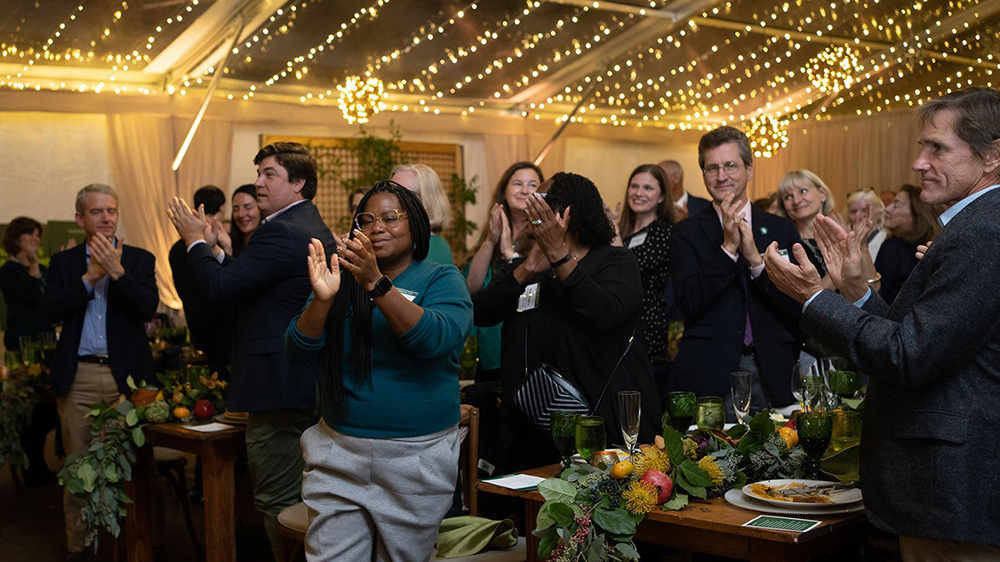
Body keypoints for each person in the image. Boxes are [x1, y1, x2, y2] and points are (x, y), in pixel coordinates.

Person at [763, 87, 1000, 560]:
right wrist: (856, 293)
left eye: (937, 148)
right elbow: (919, 339)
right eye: (921, 147)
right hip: (947, 494)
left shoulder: (982, 231)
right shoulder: (974, 225)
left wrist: (813, 299)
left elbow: (908, 357)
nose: (919, 163)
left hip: (953, 490)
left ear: (992, 155)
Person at [285, 180, 472, 561]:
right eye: (366, 220)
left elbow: (434, 340)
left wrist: (374, 282)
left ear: (415, 225)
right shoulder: (340, 277)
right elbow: (297, 354)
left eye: (390, 218)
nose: (377, 227)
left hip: (415, 459)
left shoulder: (441, 277)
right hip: (338, 452)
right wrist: (322, 301)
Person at [167, 142, 337, 559]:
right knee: (304, 495)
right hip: (299, 379)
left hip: (277, 384)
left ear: (298, 183)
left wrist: (194, 243)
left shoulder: (281, 229)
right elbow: (257, 285)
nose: (258, 183)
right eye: (258, 173)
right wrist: (222, 253)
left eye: (269, 174)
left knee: (279, 502)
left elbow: (220, 290)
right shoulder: (306, 223)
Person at [473, 172, 661, 473]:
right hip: (532, 429)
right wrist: (528, 268)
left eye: (540, 202)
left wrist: (559, 256)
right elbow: (481, 313)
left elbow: (603, 312)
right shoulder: (530, 266)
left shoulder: (617, 262)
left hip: (598, 427)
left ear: (566, 213)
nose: (528, 208)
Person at [44, 184, 158, 560]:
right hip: (79, 379)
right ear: (80, 219)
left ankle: (132, 547)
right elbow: (50, 311)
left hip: (127, 382)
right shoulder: (64, 263)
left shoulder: (139, 259)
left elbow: (146, 309)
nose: (107, 218)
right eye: (97, 212)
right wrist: (91, 278)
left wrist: (118, 273)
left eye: (111, 210)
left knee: (132, 469)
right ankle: (80, 549)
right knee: (79, 470)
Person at [668, 126, 806, 418]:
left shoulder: (780, 228)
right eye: (712, 168)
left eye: (730, 165)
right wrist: (728, 250)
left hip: (773, 369)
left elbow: (796, 304)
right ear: (703, 173)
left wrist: (757, 262)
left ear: (749, 169)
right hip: (710, 371)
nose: (721, 176)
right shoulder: (686, 232)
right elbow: (689, 302)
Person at [463, 162, 544, 382]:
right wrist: (491, 239)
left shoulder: (545, 237)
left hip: (527, 350)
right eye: (518, 183)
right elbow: (471, 288)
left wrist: (510, 252)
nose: (525, 190)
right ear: (504, 190)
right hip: (490, 350)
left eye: (533, 184)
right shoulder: (491, 232)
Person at [0, 217, 58, 485]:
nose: (36, 239)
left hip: (46, 347)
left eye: (38, 234)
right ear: (17, 239)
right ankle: (32, 465)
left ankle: (37, 461)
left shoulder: (41, 268)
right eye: (31, 234)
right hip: (22, 348)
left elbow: (51, 301)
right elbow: (36, 296)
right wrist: (35, 267)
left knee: (48, 407)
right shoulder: (9, 272)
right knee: (29, 408)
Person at [617, 164, 675, 392]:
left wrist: (612, 234)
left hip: (646, 329)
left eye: (648, 188)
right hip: (616, 327)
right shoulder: (623, 232)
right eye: (635, 186)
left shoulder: (664, 232)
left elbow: (627, 271)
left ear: (661, 197)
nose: (639, 193)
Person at [169, 185, 227, 372]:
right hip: (223, 332)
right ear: (223, 208)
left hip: (196, 329)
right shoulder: (221, 242)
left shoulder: (176, 250)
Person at [875, 184, 942, 305]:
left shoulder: (892, 246)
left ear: (916, 215)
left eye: (896, 205)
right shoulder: (937, 246)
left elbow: (878, 297)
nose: (887, 209)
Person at [776, 169, 837, 277]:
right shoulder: (786, 244)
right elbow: (804, 292)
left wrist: (862, 247)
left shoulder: (840, 235)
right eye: (788, 197)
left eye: (803, 191)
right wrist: (841, 267)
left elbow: (873, 287)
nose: (796, 201)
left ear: (822, 194)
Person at [391, 163, 454, 265]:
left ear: (427, 200)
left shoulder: (428, 248)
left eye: (404, 194)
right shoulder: (406, 242)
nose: (391, 200)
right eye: (390, 192)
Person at [846, 187, 888, 262]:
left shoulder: (885, 242)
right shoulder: (848, 239)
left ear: (879, 213)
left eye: (865, 210)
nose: (858, 216)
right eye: (853, 211)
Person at [229, 184, 261, 257]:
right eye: (236, 209)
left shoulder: (269, 244)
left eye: (248, 207)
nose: (241, 214)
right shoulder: (228, 242)